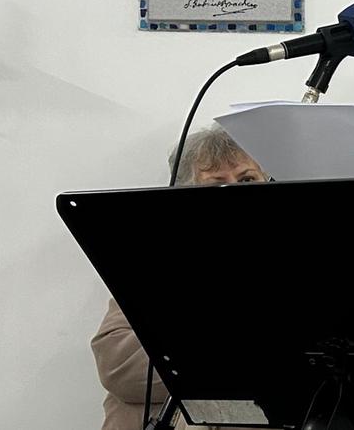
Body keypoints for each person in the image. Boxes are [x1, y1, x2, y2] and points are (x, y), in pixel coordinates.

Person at [90, 127, 267, 430]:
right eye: (215, 185)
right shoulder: (150, 265)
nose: (236, 193)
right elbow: (118, 366)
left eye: (247, 180)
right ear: (186, 195)